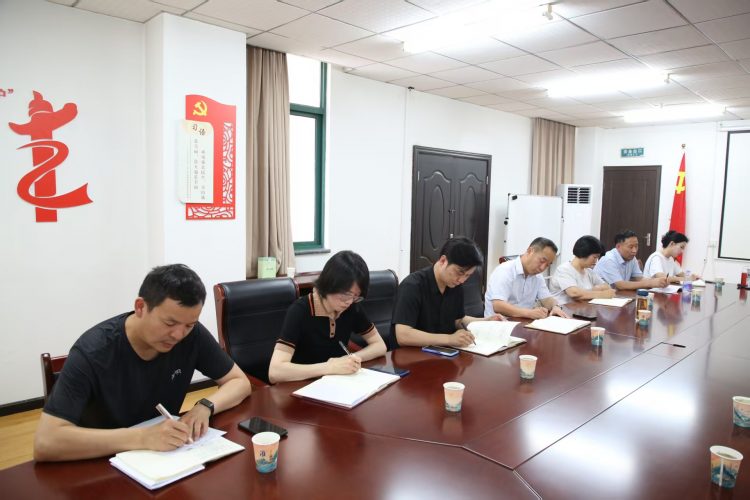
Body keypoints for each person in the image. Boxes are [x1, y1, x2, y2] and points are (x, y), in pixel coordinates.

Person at [34, 264, 252, 462]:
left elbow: (239, 382)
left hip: (163, 460)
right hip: (100, 462)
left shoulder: (192, 336)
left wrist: (205, 406)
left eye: (189, 325)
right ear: (140, 307)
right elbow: (46, 442)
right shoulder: (93, 351)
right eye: (169, 323)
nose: (178, 335)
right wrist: (142, 438)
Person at [268, 250, 387, 383]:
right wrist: (330, 367)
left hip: (336, 383)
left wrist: (349, 359)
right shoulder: (300, 311)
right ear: (329, 285)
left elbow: (380, 345)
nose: (349, 302)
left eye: (355, 296)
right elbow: (275, 372)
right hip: (301, 385)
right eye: (345, 295)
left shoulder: (352, 307)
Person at [393, 237, 503, 348]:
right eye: (460, 272)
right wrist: (449, 339)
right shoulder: (412, 286)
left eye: (467, 276)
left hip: (441, 351)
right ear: (443, 261)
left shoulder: (455, 285)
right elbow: (403, 335)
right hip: (411, 353)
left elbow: (458, 320)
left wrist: (486, 321)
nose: (462, 280)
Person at [485, 237, 570, 319]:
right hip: (499, 323)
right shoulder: (505, 270)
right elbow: (498, 305)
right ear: (530, 251)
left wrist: (555, 307)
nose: (542, 268)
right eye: (542, 261)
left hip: (522, 322)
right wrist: (529, 313)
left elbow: (546, 298)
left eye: (547, 265)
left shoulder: (538, 276)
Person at [549, 235, 617, 305]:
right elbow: (574, 293)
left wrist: (594, 289)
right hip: (563, 309)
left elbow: (606, 286)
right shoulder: (564, 269)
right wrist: (601, 294)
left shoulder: (589, 271)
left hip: (583, 308)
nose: (596, 261)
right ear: (584, 253)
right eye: (594, 257)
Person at [594, 230, 668, 290]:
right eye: (631, 247)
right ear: (618, 246)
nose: (634, 251)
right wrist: (650, 283)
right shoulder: (609, 259)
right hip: (598, 298)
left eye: (636, 246)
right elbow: (620, 285)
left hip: (618, 296)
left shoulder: (632, 258)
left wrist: (657, 282)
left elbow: (639, 278)